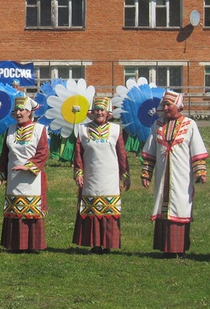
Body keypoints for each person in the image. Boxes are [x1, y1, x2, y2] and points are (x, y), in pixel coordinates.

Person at [141, 90, 207, 258]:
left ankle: (179, 249)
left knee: (180, 206)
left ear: (178, 106)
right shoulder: (157, 126)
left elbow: (197, 151)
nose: (166, 108)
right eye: (164, 105)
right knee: (163, 207)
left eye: (169, 105)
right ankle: (165, 248)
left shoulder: (189, 124)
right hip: (163, 177)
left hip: (181, 177)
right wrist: (146, 173)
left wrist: (200, 172)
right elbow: (150, 152)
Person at [72, 97, 130, 253]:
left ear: (108, 113)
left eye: (102, 110)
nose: (99, 113)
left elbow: (121, 154)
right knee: (92, 209)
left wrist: (125, 175)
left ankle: (108, 244)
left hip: (109, 176)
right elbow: (78, 153)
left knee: (109, 210)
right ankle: (95, 244)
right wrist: (78, 172)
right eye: (96, 110)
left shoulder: (115, 130)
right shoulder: (83, 129)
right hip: (91, 175)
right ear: (92, 112)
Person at [0, 96, 49, 252]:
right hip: (13, 177)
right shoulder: (10, 130)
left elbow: (43, 152)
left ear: (29, 112)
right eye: (16, 110)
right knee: (14, 209)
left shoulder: (40, 129)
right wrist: (1, 176)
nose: (18, 113)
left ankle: (33, 245)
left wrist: (29, 166)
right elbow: (5, 155)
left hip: (32, 177)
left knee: (31, 209)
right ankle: (14, 244)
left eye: (21, 110)